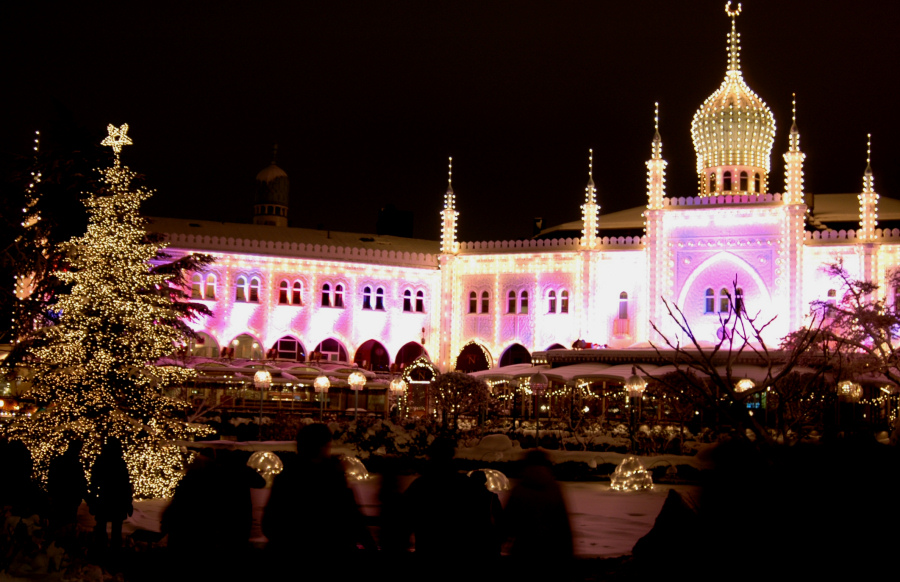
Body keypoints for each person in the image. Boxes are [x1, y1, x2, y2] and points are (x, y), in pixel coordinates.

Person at [263, 424, 373, 569]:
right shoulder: (333, 479)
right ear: (322, 447)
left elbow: (270, 522)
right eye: (328, 446)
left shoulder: (287, 478)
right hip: (330, 554)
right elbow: (351, 517)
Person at [402, 437, 480, 570]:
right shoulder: (464, 485)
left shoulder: (420, 486)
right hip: (458, 555)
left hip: (427, 553)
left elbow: (404, 521)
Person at [504, 449, 572, 577]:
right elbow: (563, 524)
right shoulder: (554, 489)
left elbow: (508, 521)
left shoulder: (520, 489)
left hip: (523, 550)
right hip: (550, 550)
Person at [87, 436, 133, 552]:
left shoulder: (102, 460)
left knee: (103, 528)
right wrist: (128, 502)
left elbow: (94, 482)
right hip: (115, 500)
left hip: (106, 499)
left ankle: (102, 551)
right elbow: (125, 485)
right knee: (114, 530)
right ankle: (111, 553)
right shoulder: (118, 462)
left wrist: (93, 499)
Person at [47, 440, 87, 535]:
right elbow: (80, 482)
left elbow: (52, 479)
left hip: (61, 497)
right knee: (66, 523)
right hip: (68, 498)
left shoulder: (59, 461)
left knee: (60, 522)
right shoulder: (75, 464)